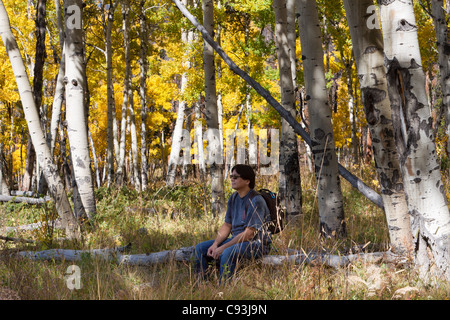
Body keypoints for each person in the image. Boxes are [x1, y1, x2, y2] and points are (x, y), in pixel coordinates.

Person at [194, 164, 272, 282]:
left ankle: (224, 288)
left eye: (235, 177)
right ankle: (201, 284)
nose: (232, 179)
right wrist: (215, 244)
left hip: (257, 244)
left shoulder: (256, 200)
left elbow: (249, 234)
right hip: (237, 240)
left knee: (227, 252)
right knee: (200, 248)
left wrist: (223, 247)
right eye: (231, 176)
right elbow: (227, 225)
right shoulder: (234, 197)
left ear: (247, 181)